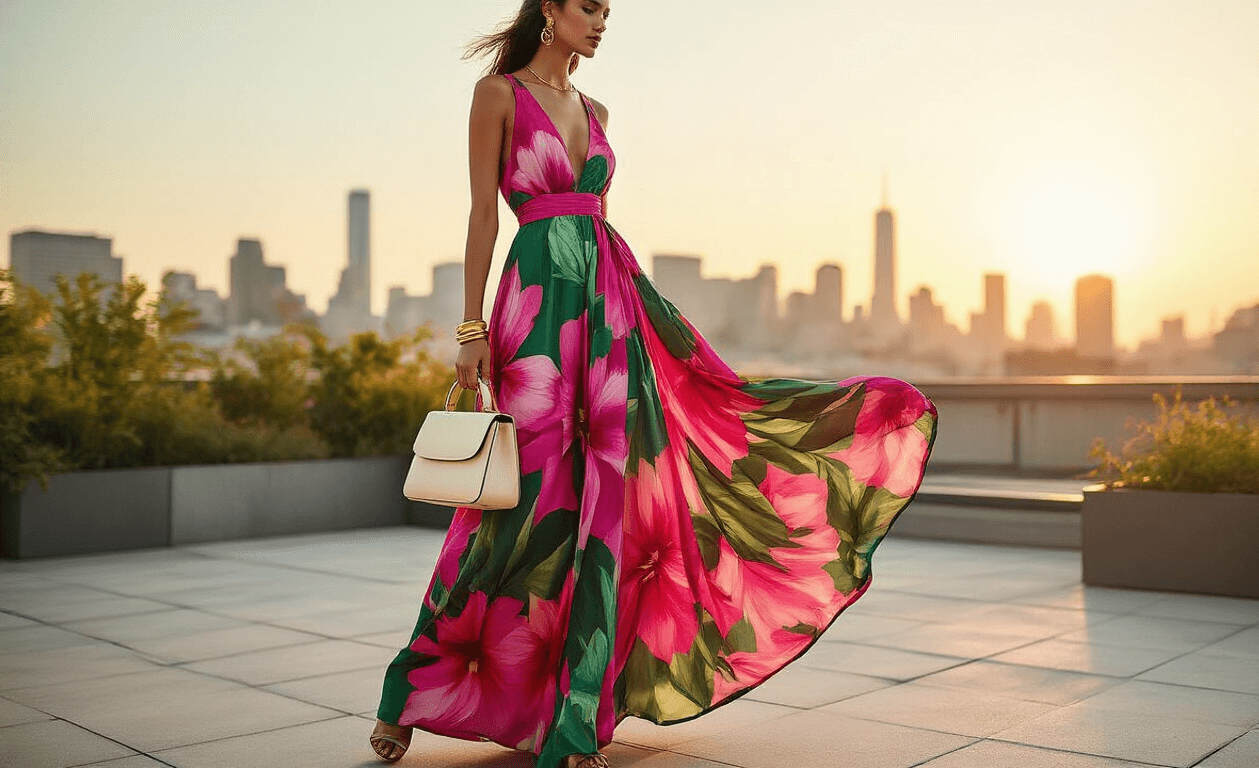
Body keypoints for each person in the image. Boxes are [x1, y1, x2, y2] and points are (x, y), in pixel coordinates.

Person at [368, 1, 938, 766]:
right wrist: (470, 330)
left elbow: (595, 220)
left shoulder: (596, 111)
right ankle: (412, 690)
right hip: (536, 310)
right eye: (589, 7)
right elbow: (482, 217)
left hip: (611, 306)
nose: (602, 21)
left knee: (609, 504)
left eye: (608, 10)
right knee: (520, 507)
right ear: (549, 9)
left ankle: (575, 715)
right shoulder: (497, 94)